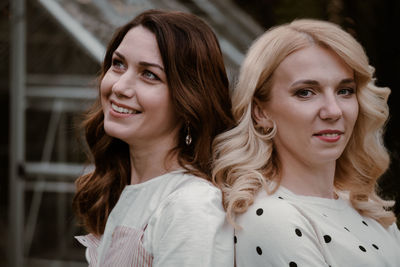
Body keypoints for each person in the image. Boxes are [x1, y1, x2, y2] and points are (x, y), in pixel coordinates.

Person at [212, 19, 400, 266]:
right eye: (305, 92)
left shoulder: (366, 209)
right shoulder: (270, 218)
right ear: (261, 112)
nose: (333, 111)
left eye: (345, 91)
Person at [73, 9, 235, 267]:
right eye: (118, 64)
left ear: (190, 100)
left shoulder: (190, 207)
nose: (119, 87)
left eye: (149, 74)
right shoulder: (127, 190)